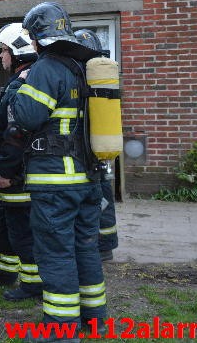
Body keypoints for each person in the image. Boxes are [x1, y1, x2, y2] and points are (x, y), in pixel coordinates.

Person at [12, 2, 106, 343]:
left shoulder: (47, 67)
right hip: (89, 180)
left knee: (56, 254)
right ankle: (95, 321)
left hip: (55, 183)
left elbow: (26, 116)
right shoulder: (84, 66)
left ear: (37, 37)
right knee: (85, 249)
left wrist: (18, 88)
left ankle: (60, 330)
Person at [0, 23, 43, 302]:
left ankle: (33, 284)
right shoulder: (24, 80)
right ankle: (2, 270)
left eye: (4, 51)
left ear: (18, 54)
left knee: (22, 230)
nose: (1, 56)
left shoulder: (20, 85)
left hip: (16, 173)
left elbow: (14, 134)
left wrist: (5, 172)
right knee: (4, 222)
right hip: (12, 169)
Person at [73, 29, 119, 262]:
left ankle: (98, 246)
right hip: (100, 144)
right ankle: (106, 244)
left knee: (95, 196)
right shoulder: (99, 76)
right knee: (104, 194)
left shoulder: (80, 74)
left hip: (85, 147)